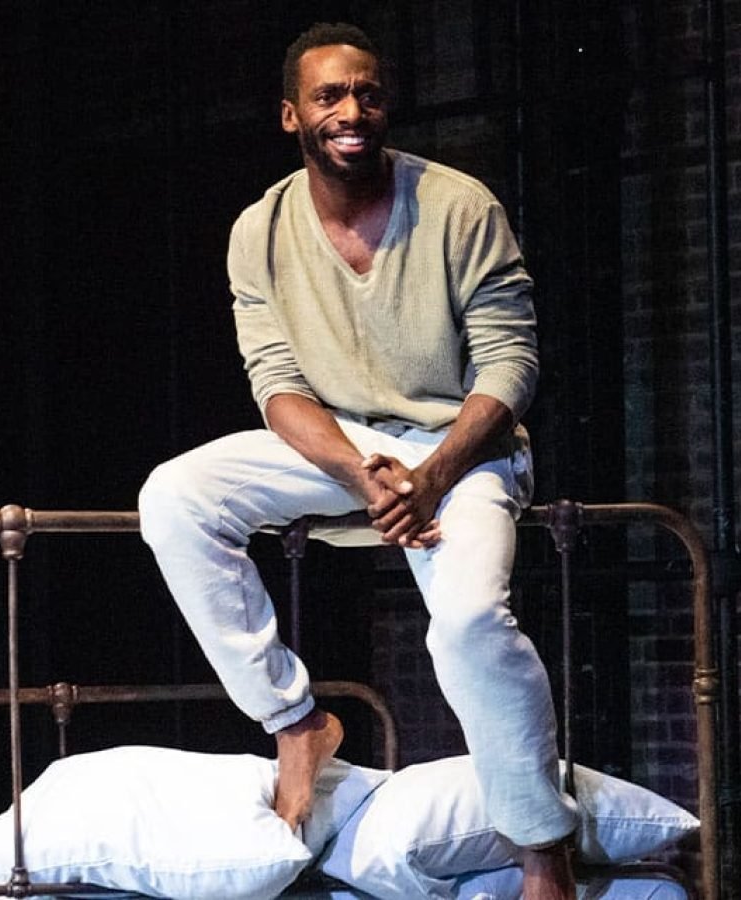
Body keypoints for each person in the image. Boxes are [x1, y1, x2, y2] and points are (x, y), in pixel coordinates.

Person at [137, 22, 577, 899]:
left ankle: (541, 847)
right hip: (342, 447)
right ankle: (295, 720)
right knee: (175, 495)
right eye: (331, 96)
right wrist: (354, 471)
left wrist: (437, 475)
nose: (352, 111)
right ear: (291, 115)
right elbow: (277, 386)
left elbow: (511, 366)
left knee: (467, 623)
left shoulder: (458, 206)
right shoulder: (258, 230)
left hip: (464, 447)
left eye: (368, 94)